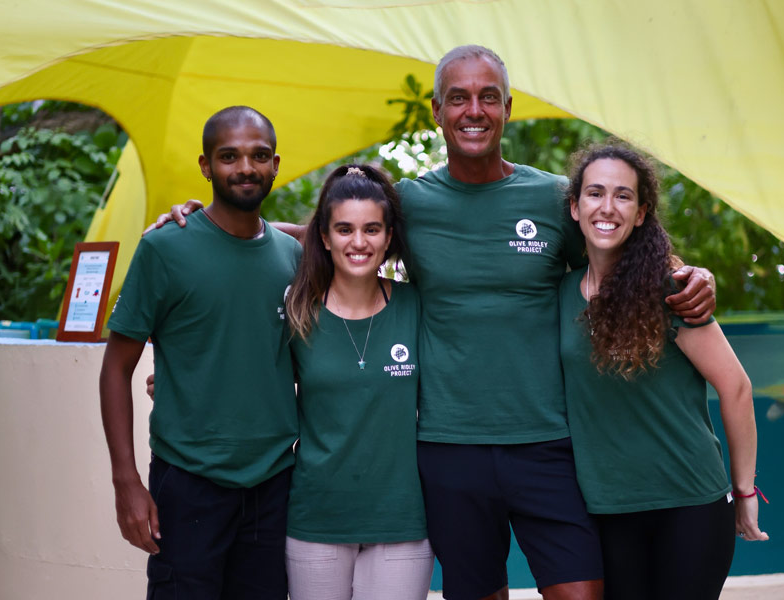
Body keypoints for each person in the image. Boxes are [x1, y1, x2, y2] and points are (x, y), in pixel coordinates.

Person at [149, 46, 716, 600]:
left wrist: (688, 271)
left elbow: (620, 242)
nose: (474, 111)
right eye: (459, 98)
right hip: (449, 448)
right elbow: (335, 232)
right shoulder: (411, 203)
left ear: (508, 108)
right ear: (438, 112)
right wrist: (211, 220)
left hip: (548, 442)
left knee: (581, 591)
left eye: (488, 97)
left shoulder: (552, 197)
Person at [99, 106, 301, 600]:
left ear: (276, 164)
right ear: (206, 166)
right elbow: (115, 370)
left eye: (258, 156)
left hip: (275, 484)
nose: (245, 168)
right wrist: (126, 482)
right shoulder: (167, 249)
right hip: (188, 482)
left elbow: (352, 225)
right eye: (228, 156)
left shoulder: (294, 258)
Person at [559, 142, 768, 600]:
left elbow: (735, 387)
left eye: (623, 195)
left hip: (690, 504)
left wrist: (745, 491)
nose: (607, 207)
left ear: (640, 212)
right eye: (594, 194)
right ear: (575, 207)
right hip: (607, 510)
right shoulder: (557, 295)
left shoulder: (672, 289)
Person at [283, 164, 433, 600]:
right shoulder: (298, 314)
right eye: (344, 229)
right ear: (325, 238)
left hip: (402, 521)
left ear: (388, 237)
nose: (359, 242)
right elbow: (250, 381)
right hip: (317, 519)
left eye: (372, 229)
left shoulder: (415, 306)